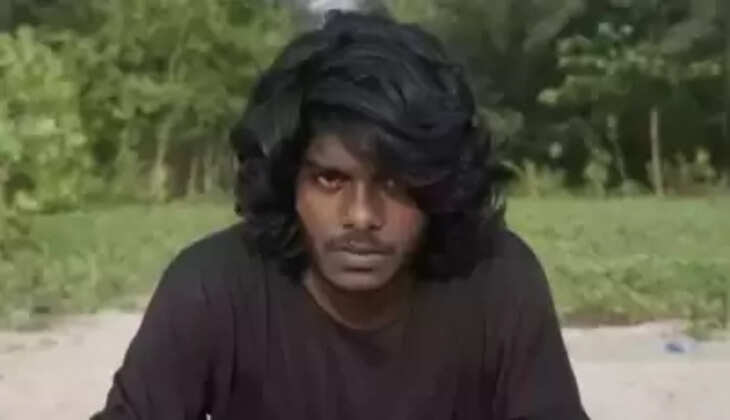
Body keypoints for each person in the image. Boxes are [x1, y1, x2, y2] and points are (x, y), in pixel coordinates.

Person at [92, 11, 589, 420]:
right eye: (330, 179)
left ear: (439, 185)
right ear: (289, 180)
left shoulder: (498, 280)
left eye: (394, 182)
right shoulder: (213, 286)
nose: (361, 216)